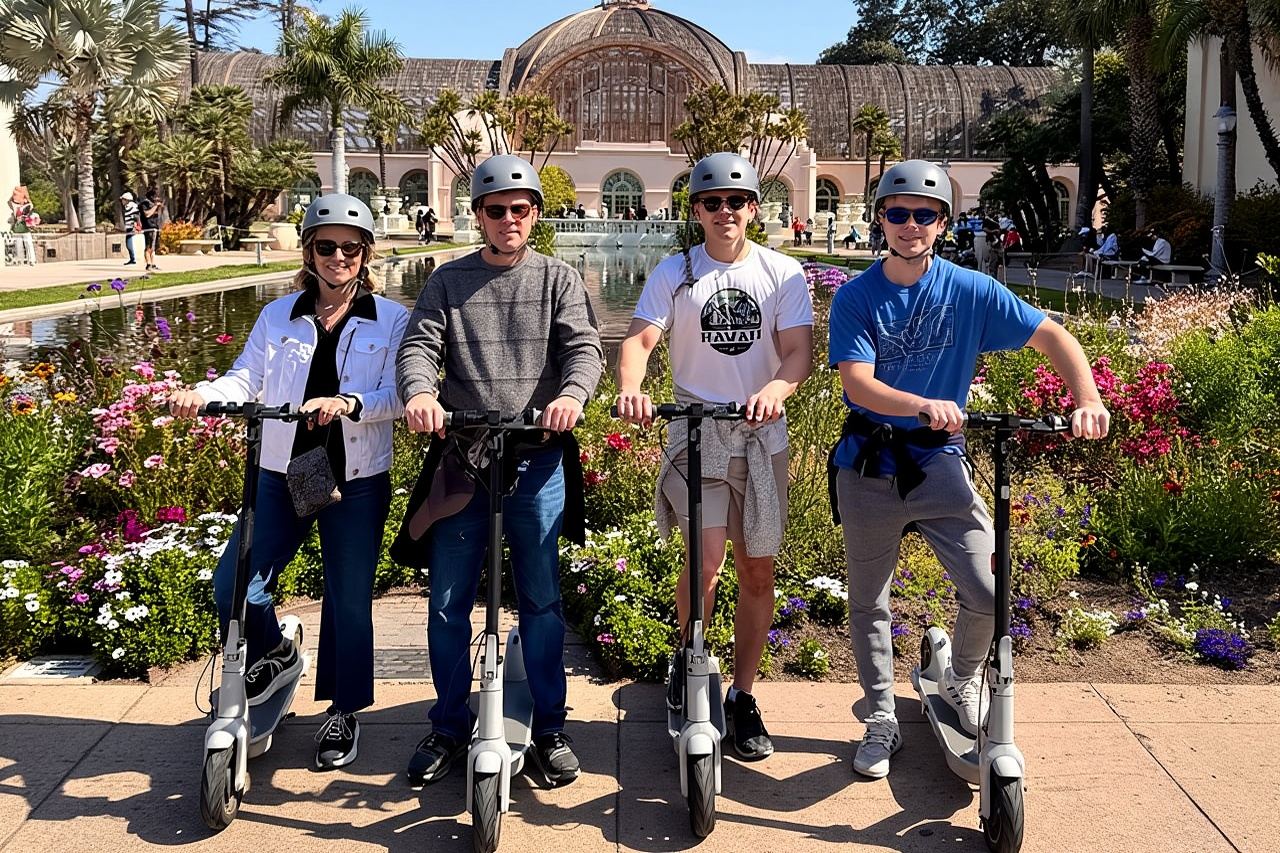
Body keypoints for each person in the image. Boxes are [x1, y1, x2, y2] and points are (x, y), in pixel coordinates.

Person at [826, 160, 1110, 779]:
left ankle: (957, 678)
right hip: (870, 463)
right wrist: (921, 404)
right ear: (879, 219)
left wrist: (1086, 398)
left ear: (943, 223)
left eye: (923, 215)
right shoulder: (856, 297)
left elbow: (1054, 337)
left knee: (987, 589)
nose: (909, 225)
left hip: (939, 465)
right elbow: (859, 383)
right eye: (897, 213)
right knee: (869, 599)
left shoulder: (971, 290)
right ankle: (879, 718)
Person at [167, 193, 409, 770]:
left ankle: (344, 712)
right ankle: (275, 649)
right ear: (309, 251)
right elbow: (245, 376)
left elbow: (401, 395)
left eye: (351, 248)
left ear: (366, 254)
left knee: (349, 600)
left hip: (354, 478)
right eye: (326, 247)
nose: (338, 258)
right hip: (282, 472)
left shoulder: (392, 319)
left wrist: (350, 402)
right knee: (233, 583)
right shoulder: (278, 315)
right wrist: (203, 395)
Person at [393, 154, 603, 789]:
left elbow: (584, 348)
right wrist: (420, 395)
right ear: (478, 216)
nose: (508, 219)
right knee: (448, 604)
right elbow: (419, 347)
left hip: (535, 459)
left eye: (520, 209)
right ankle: (449, 725)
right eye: (495, 210)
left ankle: (550, 726)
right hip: (463, 459)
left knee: (541, 599)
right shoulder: (447, 282)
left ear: (535, 214)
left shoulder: (558, 278)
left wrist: (572, 396)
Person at [616, 152, 814, 762]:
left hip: (760, 436)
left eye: (736, 201)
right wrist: (631, 386)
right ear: (695, 209)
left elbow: (796, 352)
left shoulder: (782, 273)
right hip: (697, 430)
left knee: (758, 569)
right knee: (704, 562)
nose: (724, 211)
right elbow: (641, 339)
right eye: (711, 202)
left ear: (755, 208)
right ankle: (691, 658)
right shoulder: (675, 273)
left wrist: (776, 389)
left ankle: (744, 696)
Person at [7, 185, 38, 266]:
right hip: (17, 229)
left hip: (25, 228)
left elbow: (30, 204)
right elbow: (9, 202)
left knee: (28, 244)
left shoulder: (28, 206)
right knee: (18, 245)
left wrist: (25, 195)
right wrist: (15, 193)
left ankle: (31, 260)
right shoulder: (15, 207)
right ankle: (20, 261)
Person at [140, 188, 164, 271]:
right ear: (151, 196)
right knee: (148, 247)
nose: (156, 199)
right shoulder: (145, 203)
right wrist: (156, 206)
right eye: (155, 197)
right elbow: (147, 214)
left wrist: (158, 207)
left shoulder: (154, 205)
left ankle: (153, 264)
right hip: (148, 228)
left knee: (153, 247)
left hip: (155, 227)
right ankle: (148, 264)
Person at [121, 191, 140, 266]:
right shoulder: (127, 206)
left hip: (131, 227)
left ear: (127, 200)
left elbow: (137, 216)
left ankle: (133, 259)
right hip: (128, 227)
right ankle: (132, 259)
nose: (122, 201)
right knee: (128, 243)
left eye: (123, 199)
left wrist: (135, 225)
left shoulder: (133, 206)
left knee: (128, 244)